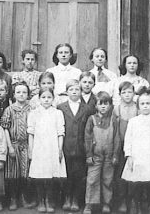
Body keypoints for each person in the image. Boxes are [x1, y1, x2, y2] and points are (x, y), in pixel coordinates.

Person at [122, 89, 150, 214]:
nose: (145, 106)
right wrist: (129, 156)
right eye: (142, 104)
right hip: (137, 158)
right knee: (136, 185)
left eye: (148, 103)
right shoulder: (133, 122)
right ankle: (137, 207)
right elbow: (128, 140)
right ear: (138, 106)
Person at [57, 80, 94, 212]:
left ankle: (75, 199)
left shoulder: (87, 109)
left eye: (77, 89)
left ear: (81, 92)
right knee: (66, 174)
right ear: (67, 92)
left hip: (80, 147)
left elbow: (89, 129)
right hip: (65, 147)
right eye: (71, 89)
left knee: (78, 174)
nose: (74, 92)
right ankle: (67, 197)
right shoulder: (61, 107)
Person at [28, 87, 66, 213]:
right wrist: (31, 149)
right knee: (39, 176)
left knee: (50, 176)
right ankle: (41, 200)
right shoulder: (34, 113)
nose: (46, 100)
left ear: (53, 99)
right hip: (39, 148)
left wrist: (60, 149)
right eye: (43, 97)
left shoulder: (57, 113)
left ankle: (49, 201)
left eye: (49, 97)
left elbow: (61, 132)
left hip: (52, 148)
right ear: (39, 99)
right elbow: (31, 133)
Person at [84, 91, 120, 214]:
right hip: (95, 156)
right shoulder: (91, 119)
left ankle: (106, 203)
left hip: (109, 156)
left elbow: (116, 138)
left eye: (106, 104)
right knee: (92, 179)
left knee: (107, 179)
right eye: (100, 104)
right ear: (96, 105)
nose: (103, 106)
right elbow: (87, 138)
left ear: (110, 105)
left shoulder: (113, 120)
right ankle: (89, 204)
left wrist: (115, 155)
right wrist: (88, 155)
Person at [1, 81, 33, 210]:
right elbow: (5, 129)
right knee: (12, 173)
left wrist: (31, 147)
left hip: (26, 145)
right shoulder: (9, 110)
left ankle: (23, 197)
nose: (21, 94)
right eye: (18, 92)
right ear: (13, 94)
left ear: (28, 95)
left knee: (24, 173)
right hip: (13, 144)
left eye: (24, 92)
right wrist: (9, 147)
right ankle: (13, 199)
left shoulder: (31, 109)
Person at [113, 81, 138, 213]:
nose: (127, 95)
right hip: (121, 145)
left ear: (134, 94)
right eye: (124, 92)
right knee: (120, 173)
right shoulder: (117, 109)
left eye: (130, 92)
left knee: (134, 172)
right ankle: (122, 200)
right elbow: (115, 129)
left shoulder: (137, 108)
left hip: (135, 146)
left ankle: (132, 199)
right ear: (119, 94)